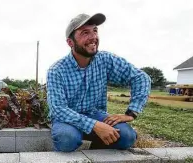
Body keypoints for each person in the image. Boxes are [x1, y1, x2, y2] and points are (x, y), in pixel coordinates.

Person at [46, 13, 151, 151]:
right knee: (67, 138)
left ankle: (96, 148)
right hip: (67, 118)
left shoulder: (105, 60)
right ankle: (87, 139)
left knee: (127, 136)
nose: (93, 37)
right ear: (70, 42)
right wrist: (95, 126)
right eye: (85, 33)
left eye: (95, 31)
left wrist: (131, 113)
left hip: (95, 113)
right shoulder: (56, 70)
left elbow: (141, 78)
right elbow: (58, 109)